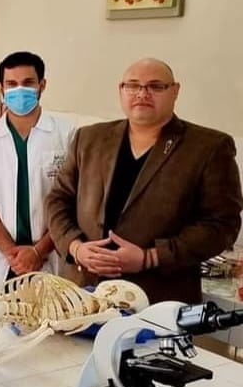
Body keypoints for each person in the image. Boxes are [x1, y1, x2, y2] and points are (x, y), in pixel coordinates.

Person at [46, 58, 243, 304]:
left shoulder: (208, 147)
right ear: (121, 90)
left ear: (175, 91)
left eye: (155, 86)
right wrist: (75, 247)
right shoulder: (89, 138)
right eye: (133, 85)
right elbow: (58, 199)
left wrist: (151, 257)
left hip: (159, 299)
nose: (142, 93)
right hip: (83, 292)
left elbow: (223, 225)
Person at [0, 52, 74, 300]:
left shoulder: (67, 134)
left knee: (47, 322)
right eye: (12, 84)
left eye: (28, 83)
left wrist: (38, 252)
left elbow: (73, 202)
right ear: (1, 88)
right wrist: (13, 253)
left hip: (49, 257)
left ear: (42, 85)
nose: (19, 90)